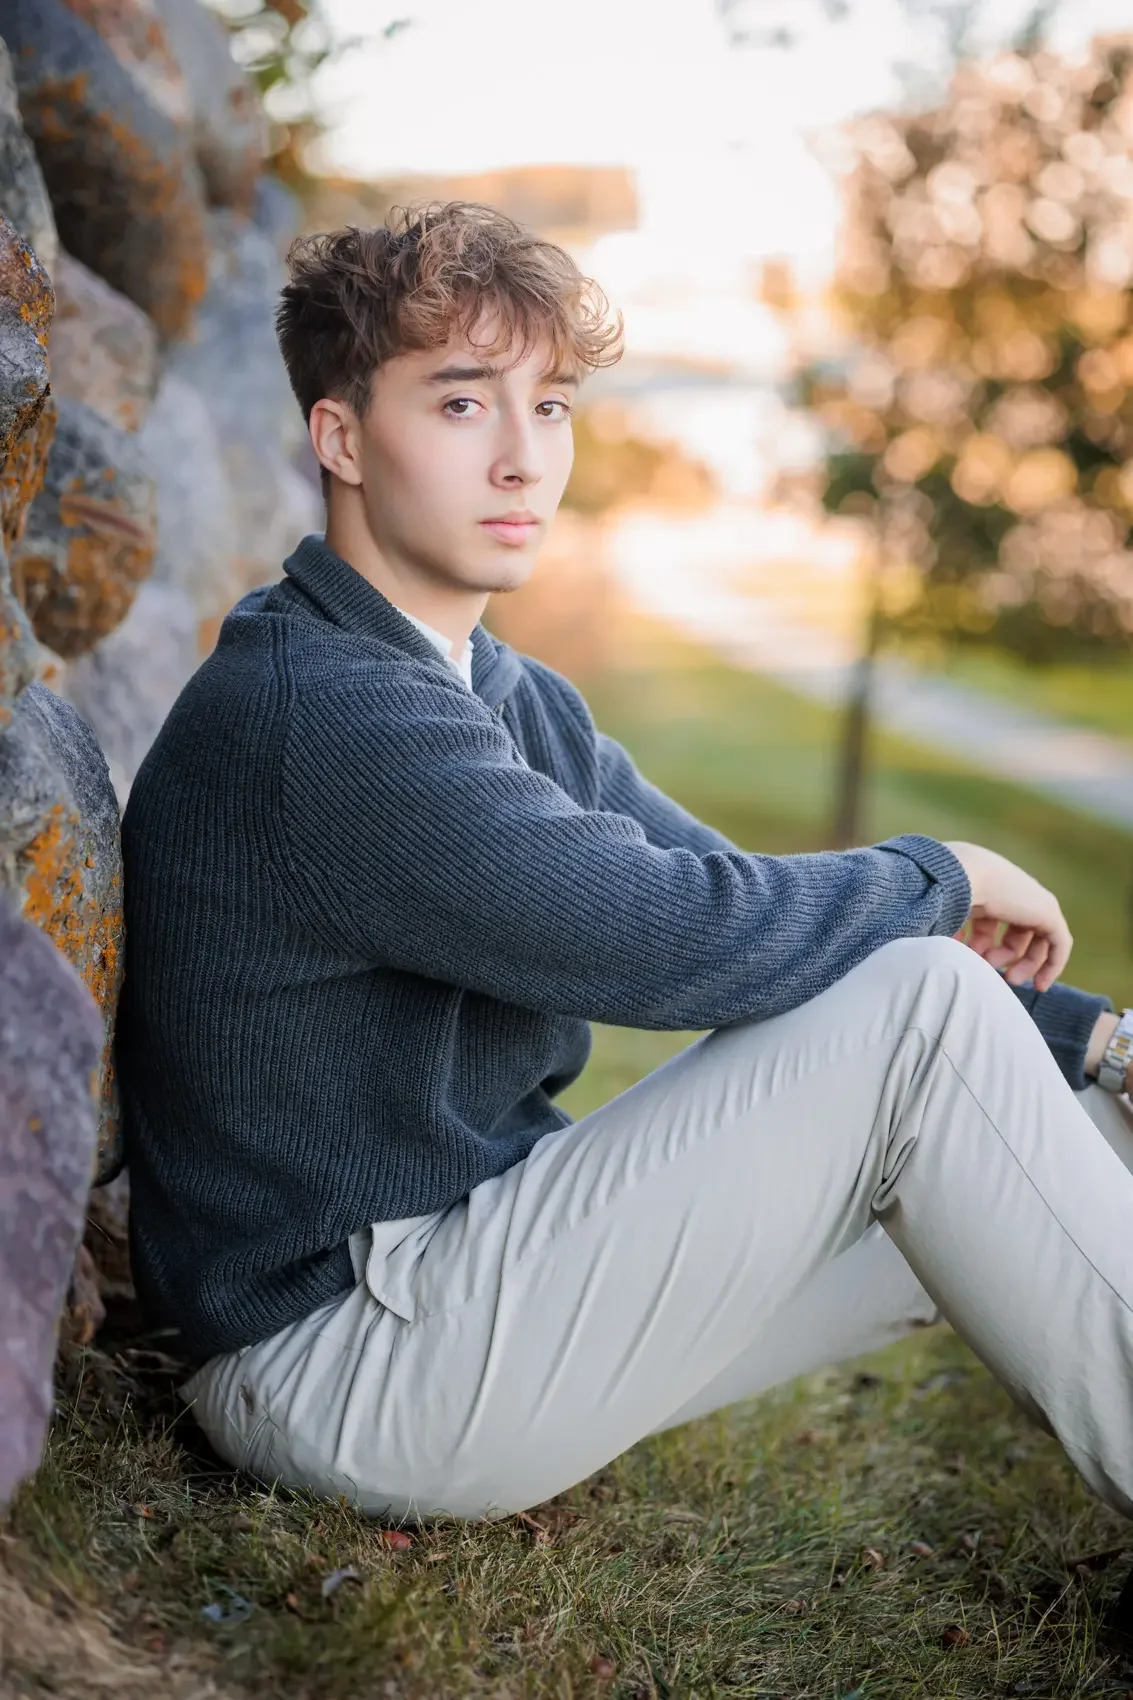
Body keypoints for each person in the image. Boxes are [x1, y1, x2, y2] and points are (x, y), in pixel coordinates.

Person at [118, 201, 1133, 1528]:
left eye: (551, 409)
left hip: (479, 1286)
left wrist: (1092, 1037)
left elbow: (742, 906)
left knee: (1081, 1117)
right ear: (344, 438)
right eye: (464, 405)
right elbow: (667, 935)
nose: (523, 463)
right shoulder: (327, 712)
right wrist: (939, 867)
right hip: (342, 1362)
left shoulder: (495, 688)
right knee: (923, 1019)